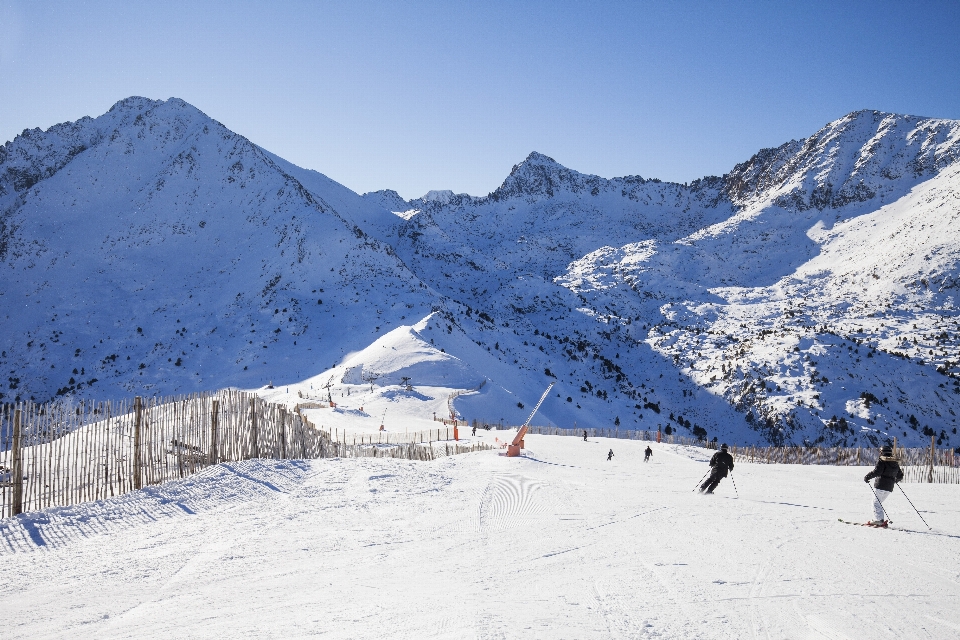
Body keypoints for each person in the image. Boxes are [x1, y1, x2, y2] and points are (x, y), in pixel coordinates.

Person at [863, 445, 903, 527]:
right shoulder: (894, 462)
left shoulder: (882, 461)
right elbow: (900, 475)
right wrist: (893, 481)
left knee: (875, 503)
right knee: (878, 503)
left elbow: (877, 472)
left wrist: (867, 477)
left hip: (880, 485)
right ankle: (878, 519)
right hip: (889, 487)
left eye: (880, 452)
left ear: (882, 452)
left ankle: (878, 520)